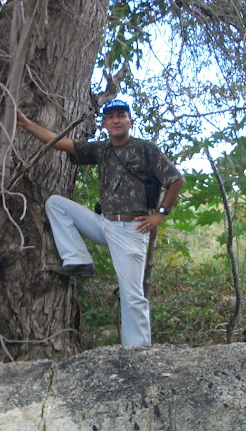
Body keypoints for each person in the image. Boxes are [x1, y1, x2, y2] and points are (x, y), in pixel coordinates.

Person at [16, 98, 185, 346]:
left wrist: (160, 213)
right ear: (105, 123)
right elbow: (62, 143)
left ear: (130, 121)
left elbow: (176, 180)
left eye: (121, 115)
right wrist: (27, 125)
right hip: (104, 224)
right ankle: (79, 260)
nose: (116, 120)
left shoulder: (145, 149)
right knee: (56, 203)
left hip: (131, 230)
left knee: (132, 297)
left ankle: (137, 354)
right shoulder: (102, 150)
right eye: (110, 117)